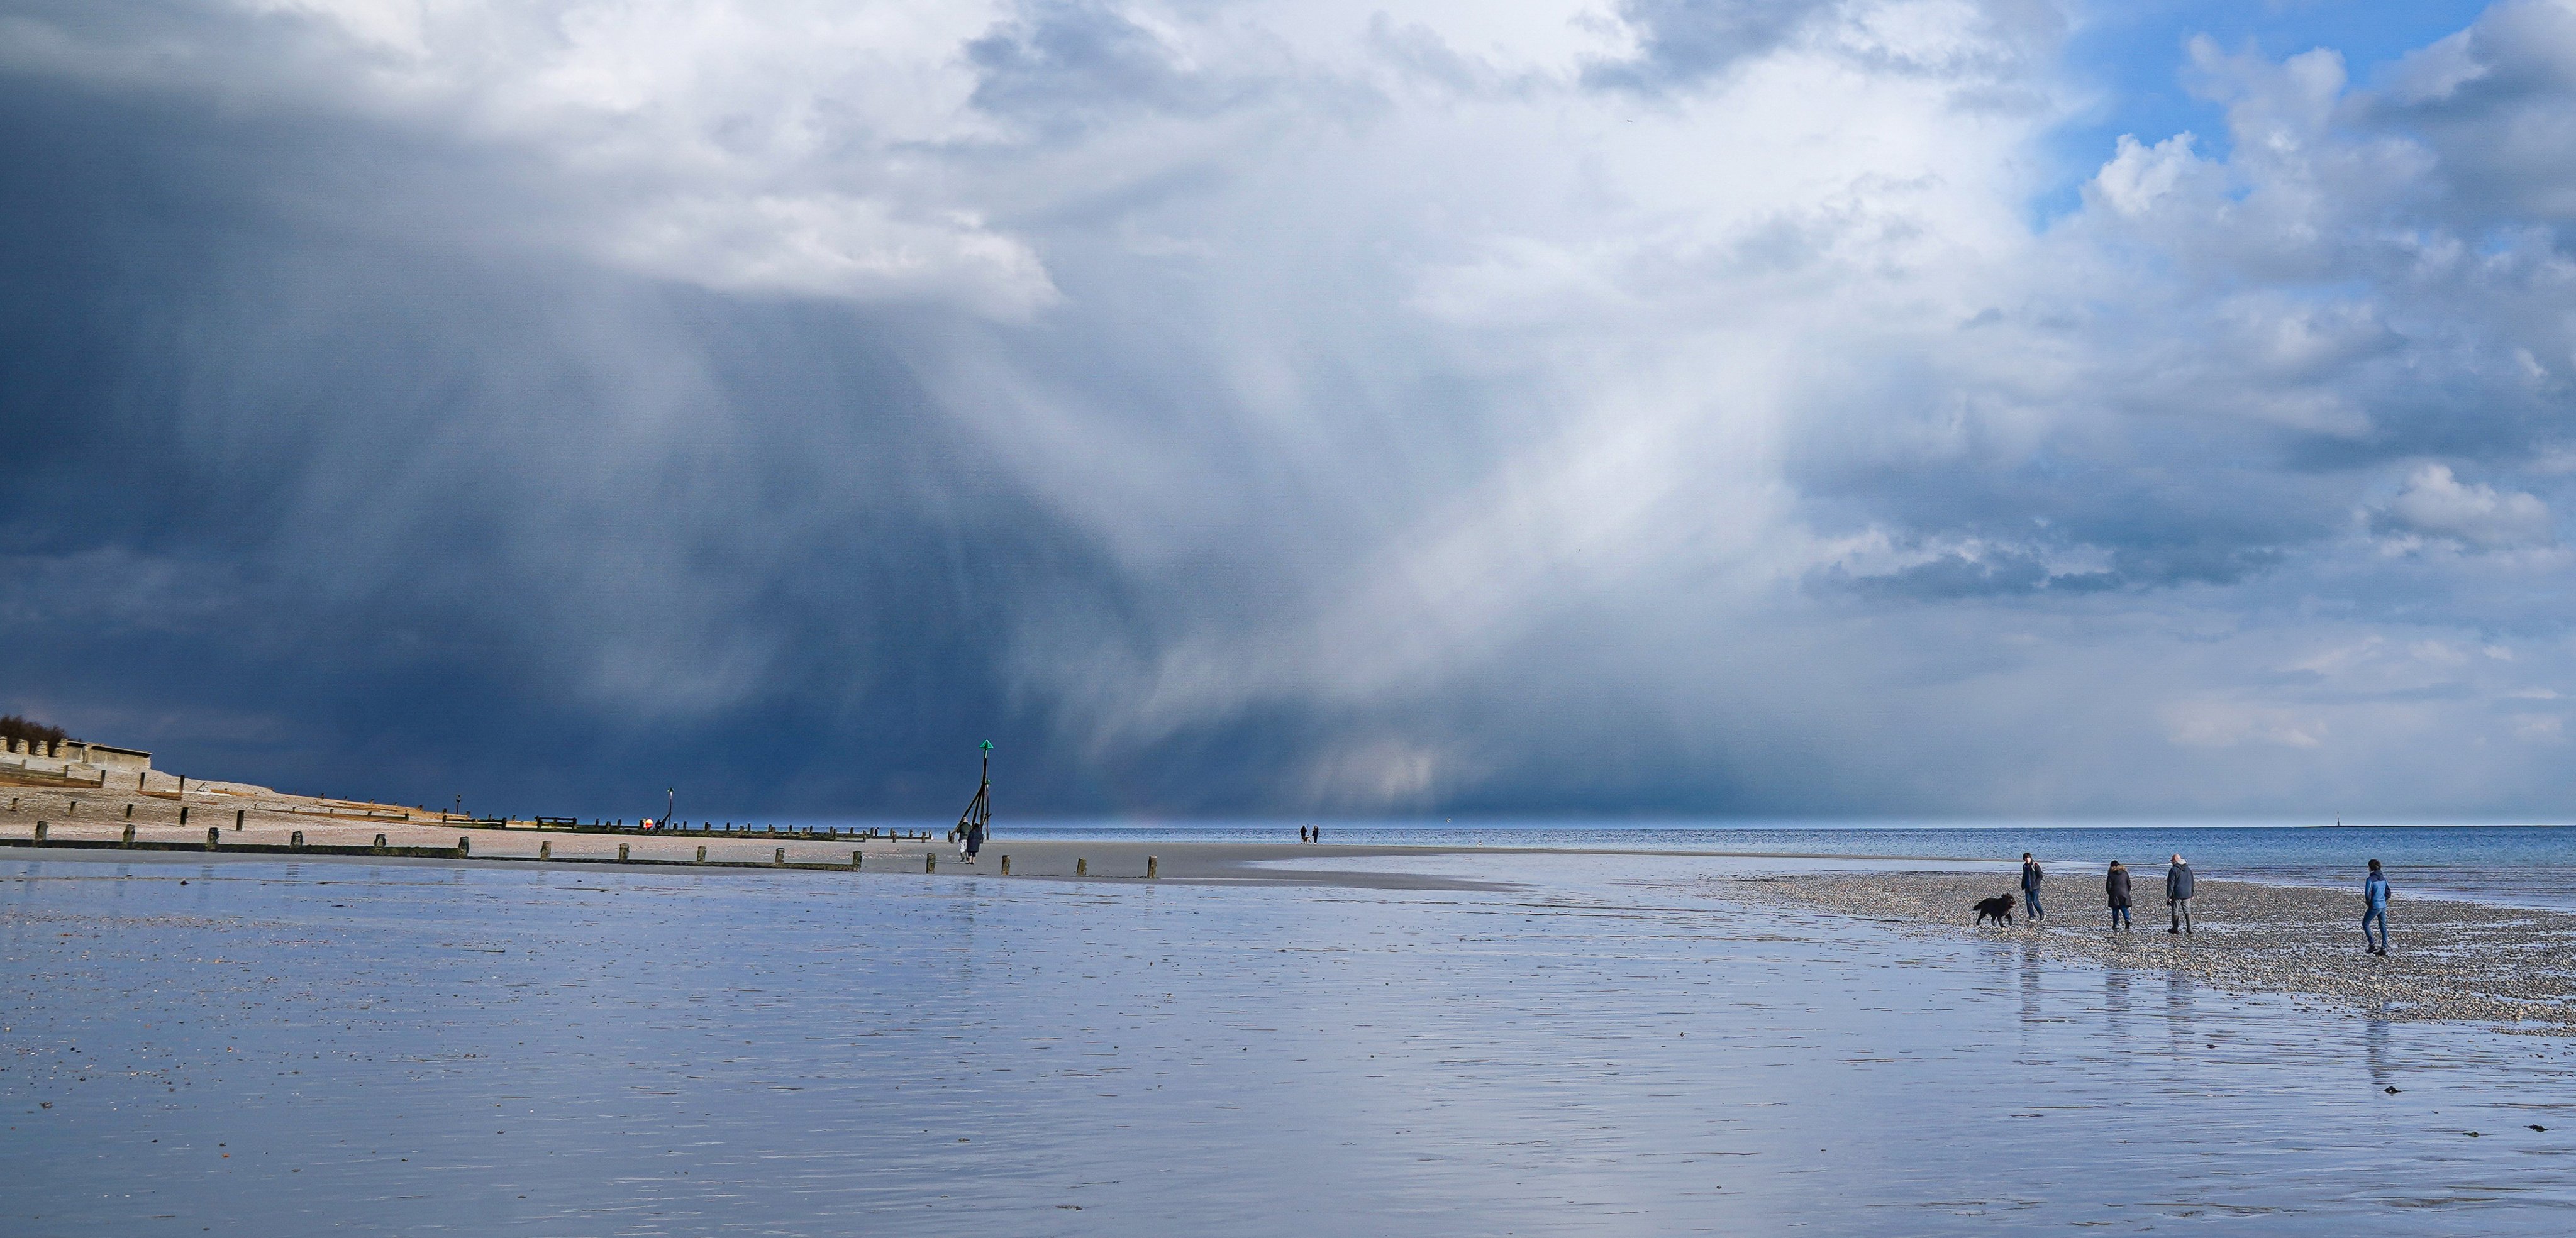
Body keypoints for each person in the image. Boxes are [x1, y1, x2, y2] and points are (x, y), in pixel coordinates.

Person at [2363, 859, 2390, 954]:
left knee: (2365, 923)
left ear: (2371, 868)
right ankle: (2384, 947)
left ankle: (2372, 944)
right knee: (2383, 926)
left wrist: (2369, 902)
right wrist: (2383, 900)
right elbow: (2388, 893)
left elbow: (2367, 894)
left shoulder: (2370, 880)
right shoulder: (2384, 879)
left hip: (2375, 905)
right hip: (2383, 905)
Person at [2166, 854, 2195, 934]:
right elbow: (2192, 882)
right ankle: (2190, 928)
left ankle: (2175, 928)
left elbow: (2171, 884)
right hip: (2187, 893)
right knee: (2187, 910)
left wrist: (2169, 896)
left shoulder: (2174, 870)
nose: (2171, 862)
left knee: (2175, 910)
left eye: (2172, 861)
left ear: (2175, 860)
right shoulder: (2188, 869)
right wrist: (2192, 893)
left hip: (2178, 893)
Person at [2105, 860, 2132, 932]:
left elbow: (2108, 887)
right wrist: (2127, 892)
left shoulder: (2111, 875)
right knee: (2124, 908)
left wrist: (2111, 894)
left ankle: (2115, 924)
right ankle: (2127, 920)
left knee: (2115, 910)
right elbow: (2129, 885)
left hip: (2115, 894)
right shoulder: (2125, 873)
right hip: (2125, 894)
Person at [2019, 853, 2046, 924]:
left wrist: (2036, 883)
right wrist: (2023, 885)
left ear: (2030, 858)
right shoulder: (2025, 866)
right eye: (2025, 858)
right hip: (2027, 887)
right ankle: (2032, 916)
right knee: (2028, 902)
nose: (2027, 859)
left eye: (2028, 858)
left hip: (2035, 887)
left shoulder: (2035, 865)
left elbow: (2040, 876)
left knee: (2035, 901)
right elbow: (2024, 876)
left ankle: (2042, 914)